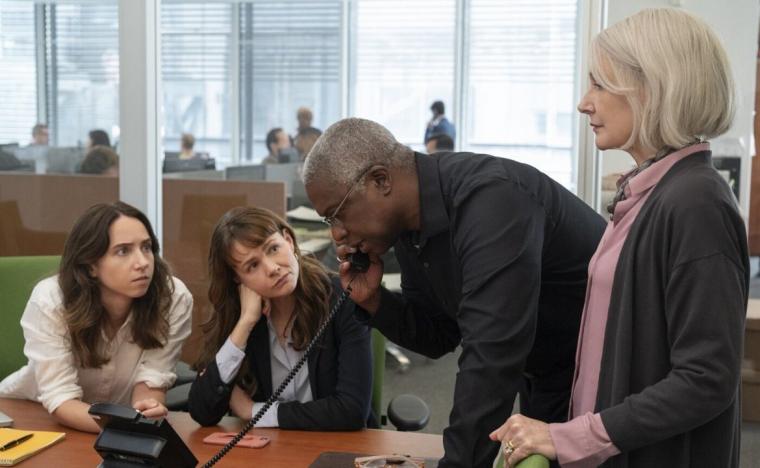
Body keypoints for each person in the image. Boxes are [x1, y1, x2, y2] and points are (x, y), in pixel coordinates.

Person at [489, 8, 746, 468]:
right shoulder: (650, 195)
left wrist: (572, 436)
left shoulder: (695, 203)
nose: (584, 102)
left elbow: (706, 378)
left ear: (652, 90)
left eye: (600, 85)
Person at [303, 117, 606, 467]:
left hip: (601, 375)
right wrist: (375, 301)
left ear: (380, 180)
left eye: (336, 215)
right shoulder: (410, 229)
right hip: (544, 368)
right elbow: (439, 336)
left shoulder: (492, 201)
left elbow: (491, 354)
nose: (337, 235)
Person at [0, 202, 193, 433]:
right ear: (91, 265)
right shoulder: (52, 300)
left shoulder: (172, 297)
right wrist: (127, 427)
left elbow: (153, 380)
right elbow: (61, 399)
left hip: (115, 422)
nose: (142, 263)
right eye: (123, 251)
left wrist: (145, 412)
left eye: (146, 247)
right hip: (32, 413)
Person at [188, 207, 372, 430]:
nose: (272, 268)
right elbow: (202, 411)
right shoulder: (241, 316)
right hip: (273, 451)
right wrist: (245, 323)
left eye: (274, 249)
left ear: (289, 240)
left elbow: (352, 411)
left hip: (336, 449)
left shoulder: (342, 298)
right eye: (253, 265)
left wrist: (253, 412)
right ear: (238, 279)